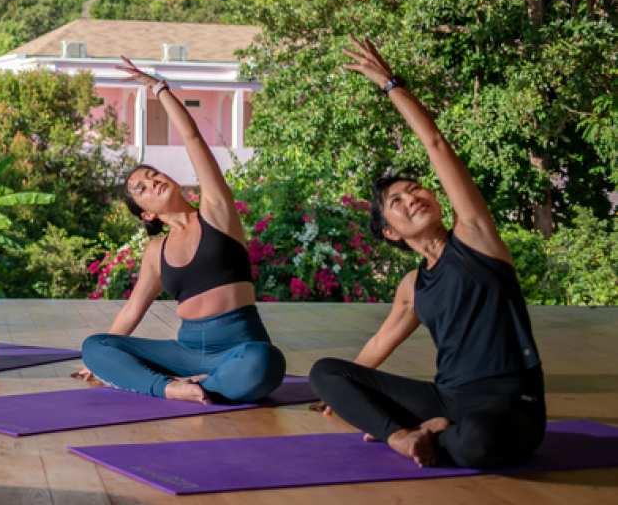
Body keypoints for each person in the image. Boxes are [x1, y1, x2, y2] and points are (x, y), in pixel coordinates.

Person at [308, 37, 545, 469]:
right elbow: (378, 345)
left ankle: (435, 432)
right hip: (447, 396)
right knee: (324, 372)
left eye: (414, 189)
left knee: (478, 443)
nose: (411, 198)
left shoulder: (475, 236)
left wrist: (390, 84)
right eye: (396, 202)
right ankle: (403, 435)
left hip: (511, 402)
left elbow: (435, 144)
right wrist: (342, 396)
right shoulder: (413, 285)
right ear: (391, 233)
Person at [78, 56, 286, 403]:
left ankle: (198, 386)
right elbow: (133, 310)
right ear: (145, 215)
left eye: (153, 175)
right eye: (141, 188)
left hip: (239, 346)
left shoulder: (216, 213)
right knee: (95, 346)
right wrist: (97, 363)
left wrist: (161, 91)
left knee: (266, 361)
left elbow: (192, 140)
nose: (152, 182)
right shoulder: (156, 252)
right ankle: (172, 388)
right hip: (185, 351)